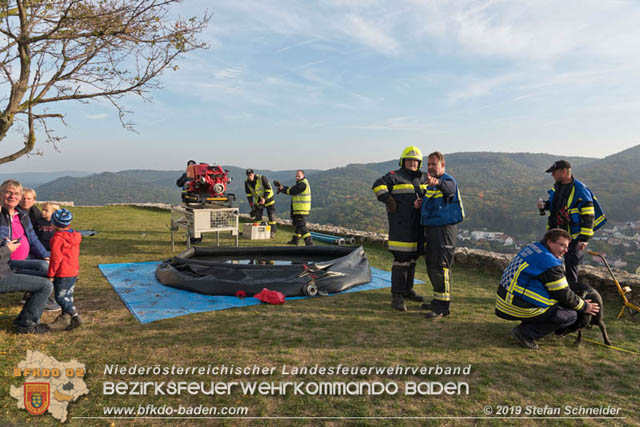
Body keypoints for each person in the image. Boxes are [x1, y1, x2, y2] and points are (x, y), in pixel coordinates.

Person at [495, 229, 600, 350]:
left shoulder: (533, 247)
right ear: (550, 242)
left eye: (567, 247)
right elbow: (563, 293)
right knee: (569, 315)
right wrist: (584, 306)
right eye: (562, 245)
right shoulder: (549, 262)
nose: (565, 250)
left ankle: (530, 325)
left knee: (558, 303)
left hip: (504, 301)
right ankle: (525, 333)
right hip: (515, 306)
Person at [372, 146, 428, 311]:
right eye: (409, 160)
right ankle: (396, 295)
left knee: (412, 260)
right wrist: (389, 200)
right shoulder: (394, 176)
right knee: (401, 261)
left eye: (415, 161)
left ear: (419, 163)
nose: (412, 163)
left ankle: (407, 290)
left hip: (418, 227)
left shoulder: (424, 178)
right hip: (401, 227)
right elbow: (377, 186)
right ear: (403, 161)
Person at [537, 160, 606, 285]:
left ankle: (572, 295)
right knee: (546, 259)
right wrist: (545, 205)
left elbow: (589, 216)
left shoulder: (581, 190)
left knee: (571, 266)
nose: (552, 175)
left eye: (554, 172)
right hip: (554, 232)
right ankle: (550, 288)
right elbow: (556, 206)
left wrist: (584, 239)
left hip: (573, 237)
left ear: (563, 171)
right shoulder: (558, 186)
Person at [420, 151, 464, 319]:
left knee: (441, 267)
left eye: (434, 164)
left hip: (444, 231)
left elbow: (449, 189)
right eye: (429, 164)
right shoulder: (430, 186)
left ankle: (442, 307)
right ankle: (437, 300)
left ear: (442, 166)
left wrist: (437, 182)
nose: (430, 167)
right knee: (432, 266)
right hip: (432, 230)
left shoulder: (447, 180)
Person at [0, 237, 53, 334]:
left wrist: (4, 243)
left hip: (5, 266)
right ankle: (27, 326)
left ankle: (23, 320)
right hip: (2, 275)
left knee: (46, 276)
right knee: (46, 285)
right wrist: (7, 249)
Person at [48, 209, 83, 330]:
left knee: (60, 297)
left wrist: (51, 273)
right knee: (68, 294)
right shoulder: (75, 235)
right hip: (73, 270)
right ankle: (64, 316)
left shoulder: (57, 239)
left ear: (54, 224)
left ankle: (75, 316)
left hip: (62, 272)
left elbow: (55, 259)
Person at [276, 170, 313, 246]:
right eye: (296, 176)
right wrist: (282, 187)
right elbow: (291, 189)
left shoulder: (303, 184)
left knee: (302, 226)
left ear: (303, 176)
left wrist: (282, 189)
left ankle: (309, 243)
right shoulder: (300, 184)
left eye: (298, 176)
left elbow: (292, 191)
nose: (297, 177)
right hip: (299, 209)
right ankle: (295, 241)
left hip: (301, 210)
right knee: (298, 225)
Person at [244, 169, 277, 237]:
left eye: (251, 175)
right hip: (258, 200)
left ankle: (272, 232)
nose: (250, 177)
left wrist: (264, 198)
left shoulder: (262, 178)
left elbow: (268, 189)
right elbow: (249, 194)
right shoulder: (246, 182)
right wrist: (251, 205)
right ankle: (257, 233)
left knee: (271, 216)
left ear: (253, 174)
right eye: (248, 176)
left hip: (268, 198)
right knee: (258, 217)